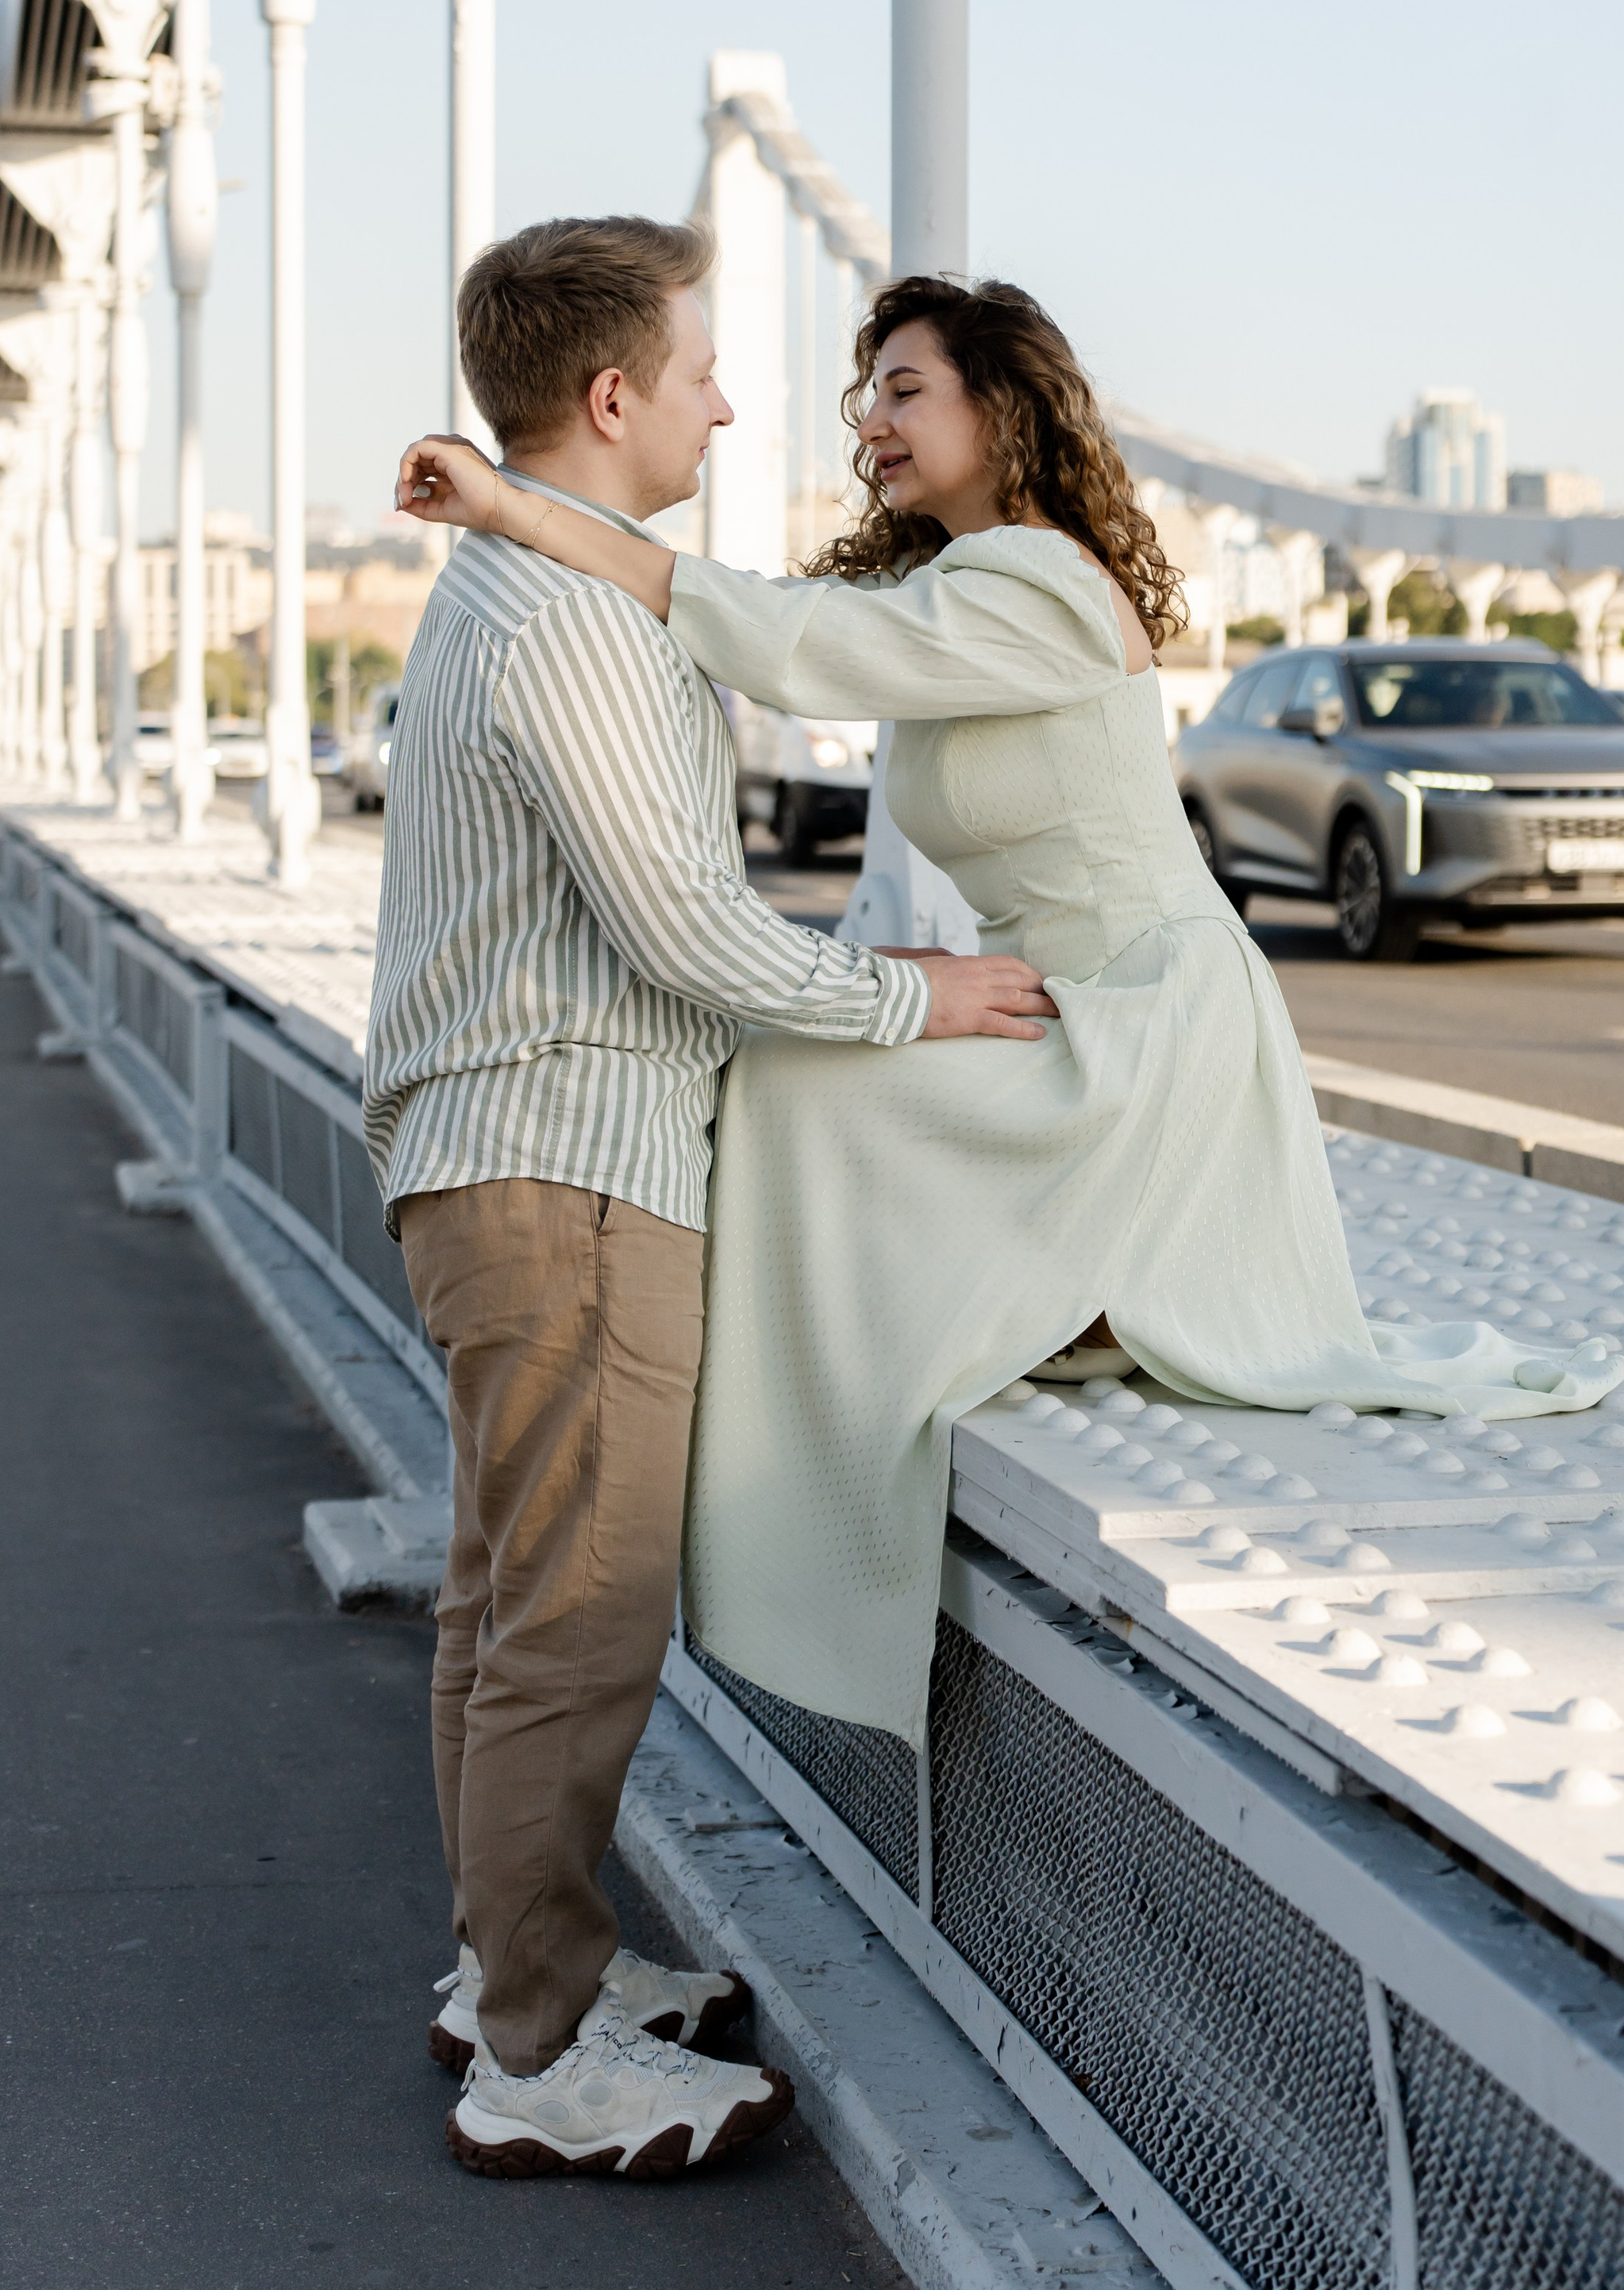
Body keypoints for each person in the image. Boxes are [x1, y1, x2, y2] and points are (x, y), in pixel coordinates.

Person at [396, 274, 1624, 1757]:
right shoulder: (956, 590)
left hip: (1152, 1021)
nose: (872, 420)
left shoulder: (1039, 583)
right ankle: (868, 1413)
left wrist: (516, 511)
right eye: (869, 393)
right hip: (1062, 1006)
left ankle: (857, 1434)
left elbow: (780, 640)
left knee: (796, 1079)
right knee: (798, 1066)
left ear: (1004, 404)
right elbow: (800, 634)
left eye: (906, 389)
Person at [364, 219, 1055, 2180]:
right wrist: (912, 998)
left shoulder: (512, 583)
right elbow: (683, 931)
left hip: (500, 1158)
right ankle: (538, 2058)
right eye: (697, 372)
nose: (730, 406)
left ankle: (512, 1970)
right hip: (570, 1172)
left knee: (508, 1602)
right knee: (578, 1624)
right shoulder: (568, 621)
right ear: (611, 399)